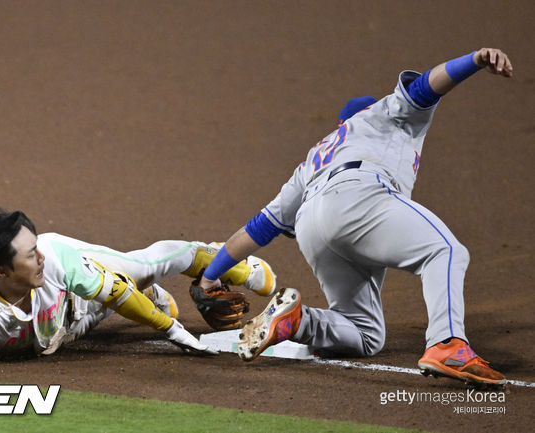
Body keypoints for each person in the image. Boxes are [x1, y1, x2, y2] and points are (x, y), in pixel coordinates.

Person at [195, 47, 512, 386]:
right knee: (445, 251)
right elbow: (424, 87)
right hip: (357, 197)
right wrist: (475, 60)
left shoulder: (314, 159)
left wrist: (210, 277)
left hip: (311, 224)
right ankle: (448, 344)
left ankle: (297, 322)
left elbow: (261, 228)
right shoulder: (382, 114)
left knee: (365, 335)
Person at [0, 207, 276, 381]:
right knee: (115, 300)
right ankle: (152, 294)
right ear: (0, 271)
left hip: (80, 290)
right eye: (30, 254)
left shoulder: (57, 258)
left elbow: (116, 294)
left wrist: (172, 329)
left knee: (143, 268)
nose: (41, 257)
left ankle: (229, 262)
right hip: (69, 323)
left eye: (37, 246)